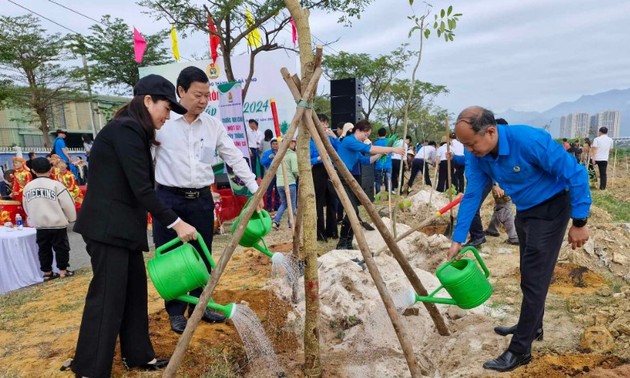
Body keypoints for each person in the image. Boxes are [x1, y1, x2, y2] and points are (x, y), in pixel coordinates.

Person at [71, 74, 197, 377]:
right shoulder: (126, 130)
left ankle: (138, 355)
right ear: (148, 101)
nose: (168, 117)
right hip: (107, 229)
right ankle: (89, 368)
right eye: (166, 109)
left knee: (134, 293)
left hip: (123, 229)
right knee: (107, 298)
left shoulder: (134, 131)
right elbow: (142, 189)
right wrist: (177, 223)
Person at [447, 106, 590, 372]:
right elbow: (473, 193)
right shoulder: (478, 155)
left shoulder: (528, 140)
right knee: (528, 274)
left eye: (471, 143)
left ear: (490, 131)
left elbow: (576, 173)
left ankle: (520, 349)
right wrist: (457, 238)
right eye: (464, 144)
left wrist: (579, 221)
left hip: (552, 208)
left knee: (535, 279)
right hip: (525, 210)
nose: (469, 149)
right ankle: (533, 326)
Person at [152, 66, 261, 334]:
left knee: (202, 254)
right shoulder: (162, 125)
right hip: (168, 198)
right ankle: (176, 311)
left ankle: (201, 306)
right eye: (197, 94)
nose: (203, 100)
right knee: (173, 257)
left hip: (200, 199)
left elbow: (233, 157)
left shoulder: (212, 125)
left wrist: (254, 188)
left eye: (207, 95)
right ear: (180, 92)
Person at [335, 120, 405, 249]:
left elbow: (366, 160)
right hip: (339, 177)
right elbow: (369, 149)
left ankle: (347, 242)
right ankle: (342, 242)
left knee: (354, 211)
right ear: (358, 130)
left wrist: (381, 153)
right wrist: (393, 149)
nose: (366, 138)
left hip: (347, 177)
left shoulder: (355, 145)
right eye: (366, 135)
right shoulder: (349, 141)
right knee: (353, 211)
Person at [22, 157, 76, 281]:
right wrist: (71, 218)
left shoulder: (28, 187)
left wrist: (33, 218)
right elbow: (68, 204)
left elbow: (26, 206)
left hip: (40, 224)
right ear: (51, 168)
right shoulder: (56, 185)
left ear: (33, 171)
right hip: (57, 223)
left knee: (43, 249)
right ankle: (62, 270)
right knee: (61, 247)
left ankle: (47, 272)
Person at [311, 114, 340, 241]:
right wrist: (318, 158)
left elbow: (339, 151)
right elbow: (306, 158)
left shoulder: (330, 138)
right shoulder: (310, 140)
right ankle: (320, 233)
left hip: (330, 170)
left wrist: (334, 137)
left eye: (325, 123)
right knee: (318, 203)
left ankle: (332, 230)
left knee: (332, 200)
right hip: (318, 171)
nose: (324, 126)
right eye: (321, 123)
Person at [273, 138, 298, 229]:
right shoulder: (292, 155)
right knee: (292, 204)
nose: (295, 145)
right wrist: (297, 176)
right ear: (290, 143)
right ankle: (290, 223)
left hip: (279, 183)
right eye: (294, 143)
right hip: (290, 182)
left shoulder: (279, 155)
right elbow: (295, 170)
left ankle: (276, 221)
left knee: (284, 203)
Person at [260, 138, 281, 211]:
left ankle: (277, 207)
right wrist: (269, 158)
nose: (275, 145)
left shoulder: (281, 152)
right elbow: (262, 163)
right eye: (273, 144)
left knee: (278, 191)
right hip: (270, 174)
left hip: (279, 174)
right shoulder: (267, 153)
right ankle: (269, 207)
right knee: (269, 191)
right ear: (271, 145)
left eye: (276, 144)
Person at [373, 128, 392, 194]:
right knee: (388, 180)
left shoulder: (375, 143)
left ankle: (378, 195)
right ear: (385, 134)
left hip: (378, 165)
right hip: (388, 165)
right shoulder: (389, 142)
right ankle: (388, 195)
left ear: (378, 134)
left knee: (378, 181)